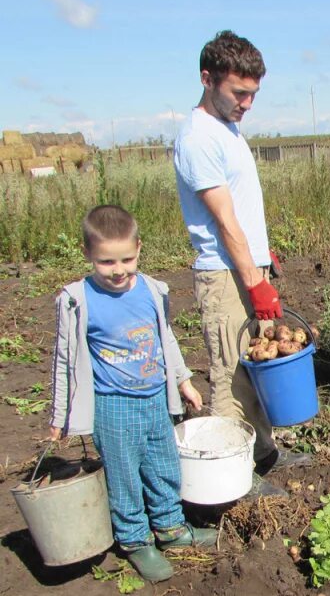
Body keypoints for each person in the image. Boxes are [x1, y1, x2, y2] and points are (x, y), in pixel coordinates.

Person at [49, 205, 217, 582]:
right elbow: (64, 359)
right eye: (107, 262)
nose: (119, 269)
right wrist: (60, 416)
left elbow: (165, 339)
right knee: (124, 475)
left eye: (127, 258)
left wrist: (183, 380)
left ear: (139, 248)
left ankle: (171, 528)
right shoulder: (79, 300)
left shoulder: (151, 290)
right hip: (113, 405)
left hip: (156, 397)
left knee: (163, 464)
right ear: (87, 254)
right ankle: (136, 540)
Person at [173, 30, 309, 494]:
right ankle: (236, 478)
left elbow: (243, 213)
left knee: (254, 366)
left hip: (247, 265)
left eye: (253, 94)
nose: (247, 103)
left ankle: (265, 452)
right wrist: (254, 281)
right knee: (229, 374)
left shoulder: (227, 129)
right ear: (207, 79)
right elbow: (225, 221)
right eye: (239, 92)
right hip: (225, 273)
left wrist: (263, 257)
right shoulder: (197, 138)